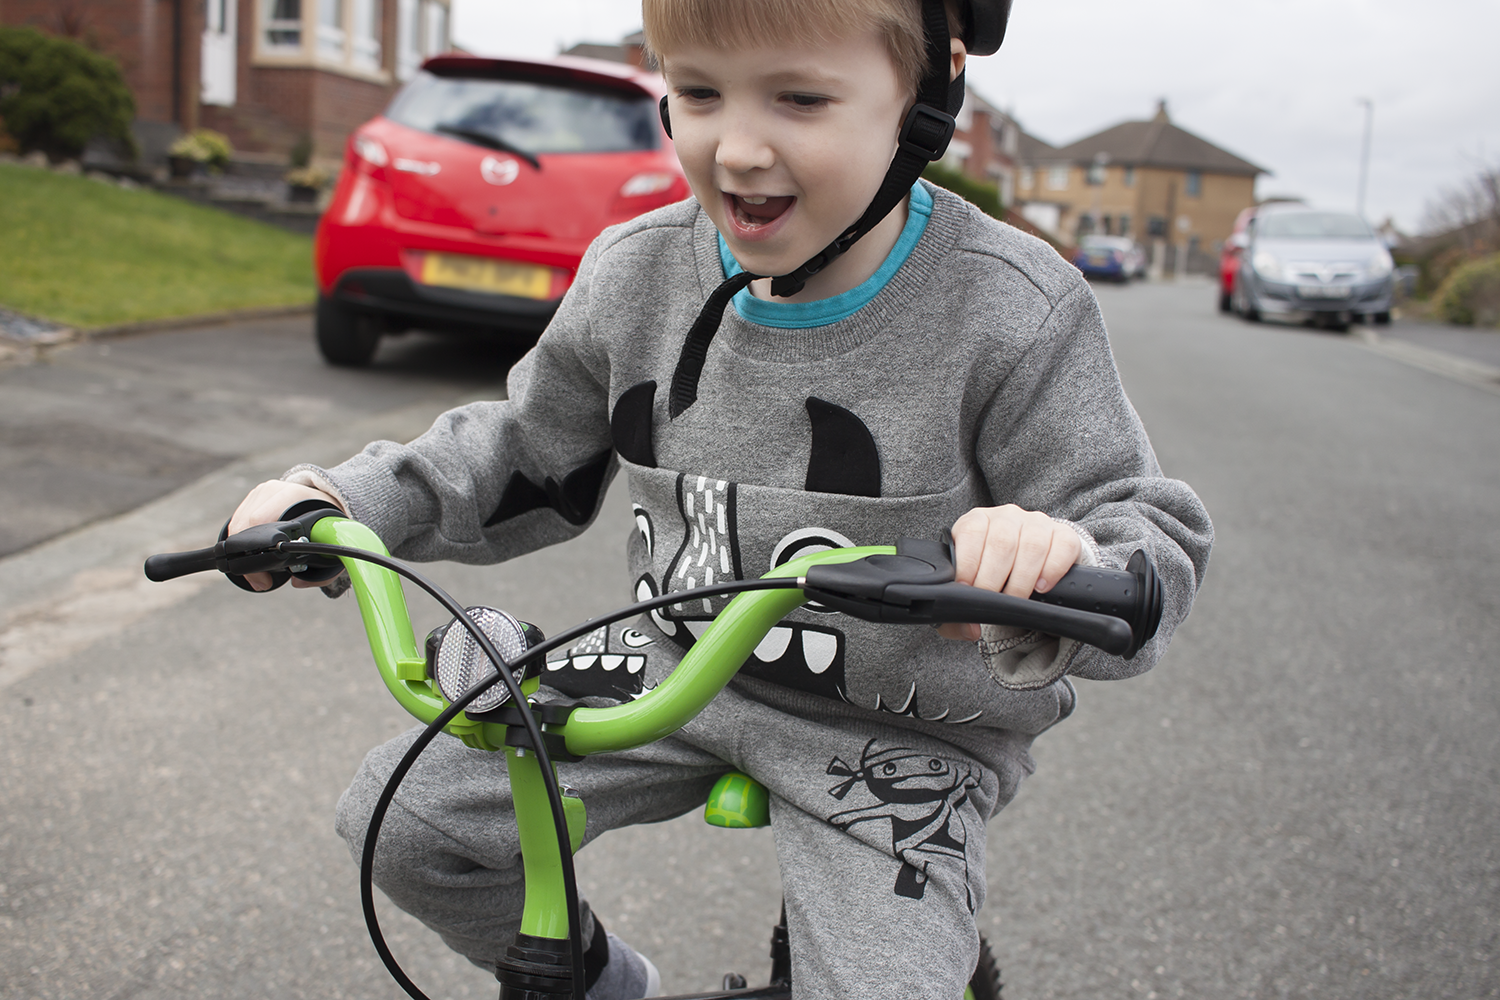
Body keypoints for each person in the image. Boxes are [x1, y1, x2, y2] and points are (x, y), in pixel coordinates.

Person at [229, 1, 1213, 996]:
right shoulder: (636, 273)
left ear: (925, 91)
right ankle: (602, 978)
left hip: (899, 722)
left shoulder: (1011, 304)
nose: (738, 148)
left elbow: (1142, 527)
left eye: (800, 98)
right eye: (697, 91)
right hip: (672, 666)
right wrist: (338, 501)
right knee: (403, 822)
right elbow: (521, 451)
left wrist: (1057, 559)